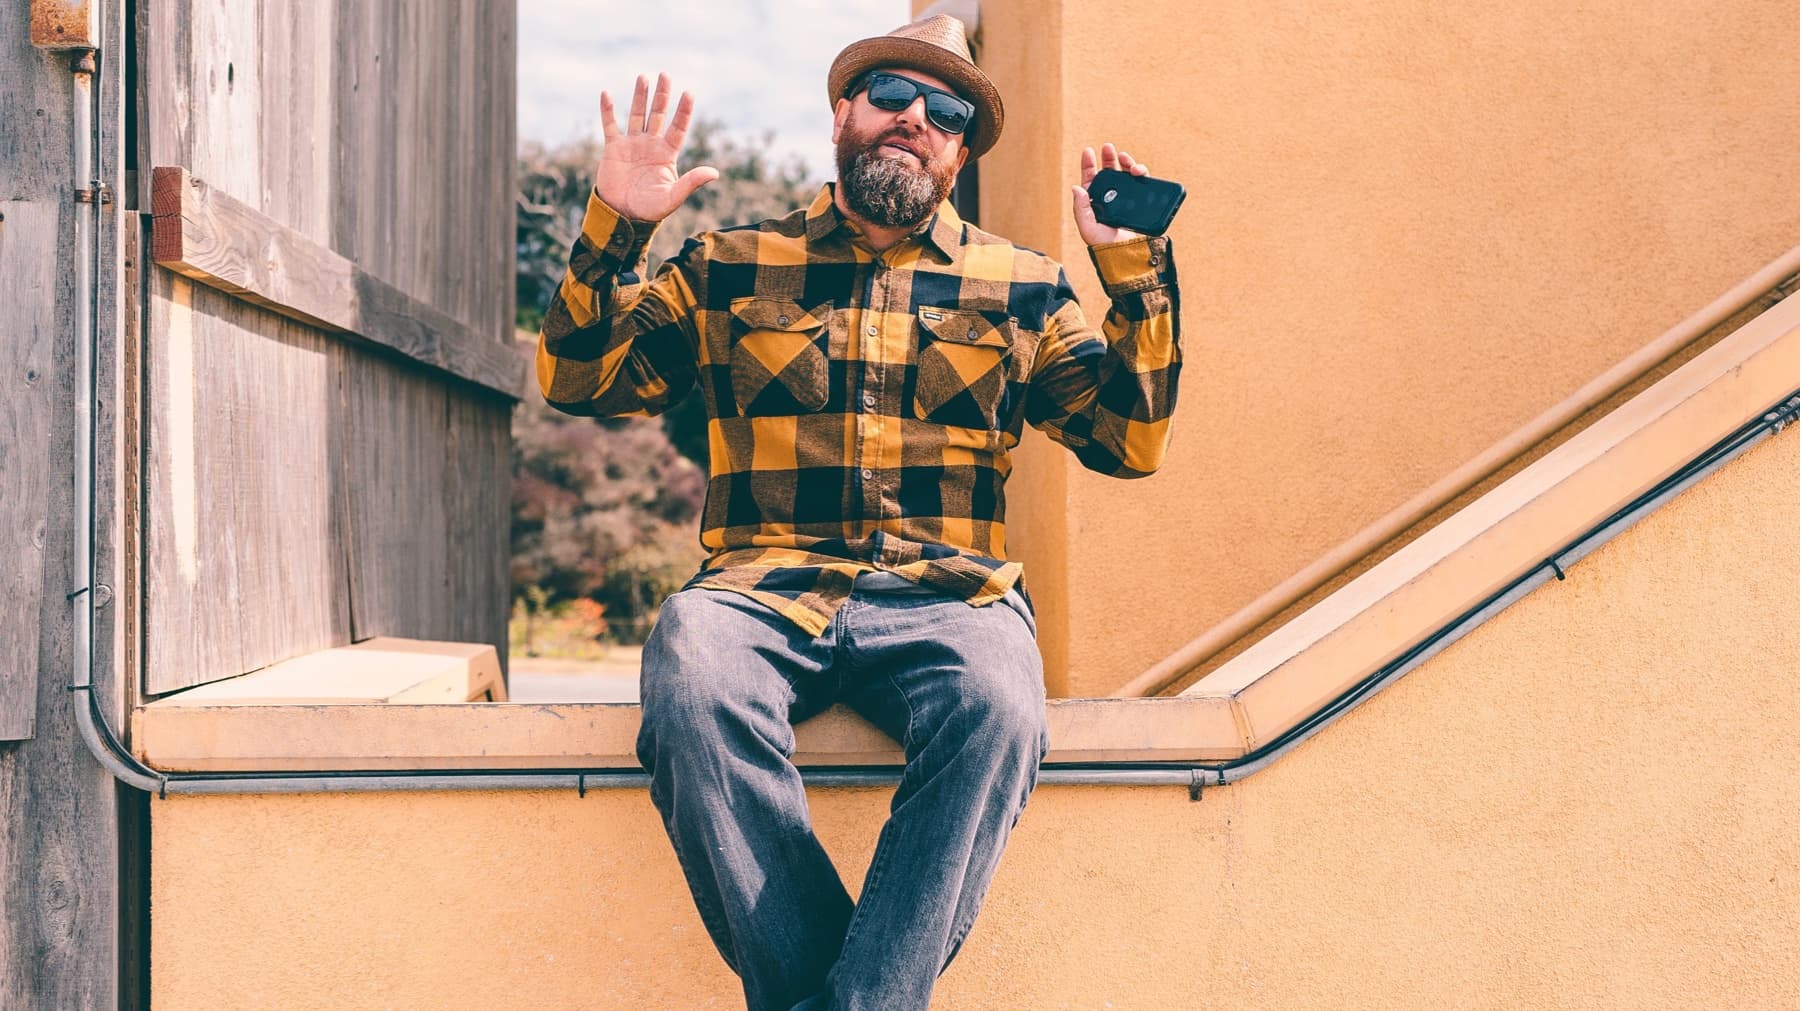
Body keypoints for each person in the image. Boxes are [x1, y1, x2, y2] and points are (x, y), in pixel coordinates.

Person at [536, 14, 1181, 1010]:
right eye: (890, 94)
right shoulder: (728, 264)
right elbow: (581, 381)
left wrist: (1134, 276)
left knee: (1002, 706)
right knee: (691, 676)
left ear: (960, 151)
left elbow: (1131, 441)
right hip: (758, 590)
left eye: (946, 110)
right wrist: (614, 227)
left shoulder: (1023, 289)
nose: (914, 117)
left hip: (949, 599)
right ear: (842, 113)